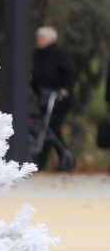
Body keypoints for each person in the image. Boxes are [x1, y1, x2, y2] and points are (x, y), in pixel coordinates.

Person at [31, 26, 76, 171]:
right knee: (52, 130)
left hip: (58, 99)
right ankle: (66, 157)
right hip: (45, 97)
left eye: (41, 38)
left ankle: (41, 162)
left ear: (50, 39)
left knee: (50, 128)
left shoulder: (59, 54)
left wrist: (65, 89)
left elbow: (70, 72)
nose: (38, 41)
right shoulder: (37, 54)